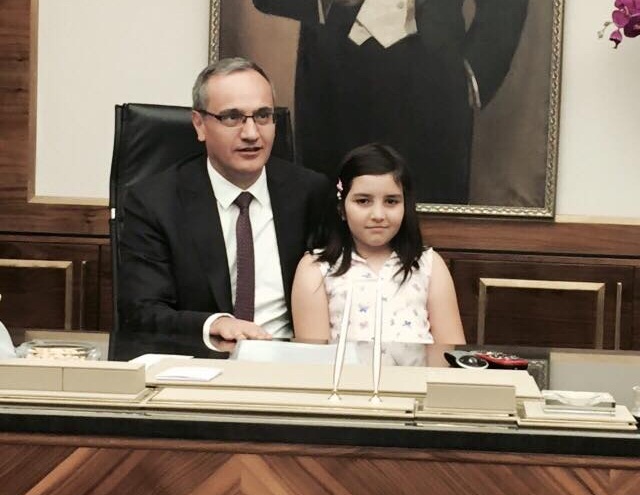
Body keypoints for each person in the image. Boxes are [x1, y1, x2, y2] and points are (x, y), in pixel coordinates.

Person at [116, 57, 329, 359]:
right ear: (199, 124)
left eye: (263, 116)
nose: (252, 133)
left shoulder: (310, 192)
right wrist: (215, 324)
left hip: (290, 364)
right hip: (197, 366)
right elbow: (141, 311)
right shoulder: (155, 202)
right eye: (232, 117)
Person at [252, 0, 528, 204]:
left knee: (432, 230)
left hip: (435, 86)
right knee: (332, 224)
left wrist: (474, 71)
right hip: (333, 82)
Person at [291, 143, 466, 344]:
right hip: (341, 366)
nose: (378, 215)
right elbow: (314, 358)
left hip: (417, 366)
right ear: (341, 208)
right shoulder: (316, 269)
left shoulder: (429, 265)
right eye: (363, 201)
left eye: (391, 201)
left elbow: (449, 351)